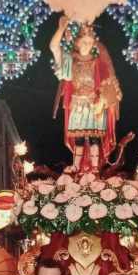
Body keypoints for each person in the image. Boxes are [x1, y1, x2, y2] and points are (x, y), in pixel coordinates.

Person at [49, 15, 122, 174]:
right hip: (78, 105)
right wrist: (61, 29)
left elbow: (110, 84)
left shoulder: (99, 63)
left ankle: (95, 167)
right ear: (77, 43)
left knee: (95, 138)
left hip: (95, 105)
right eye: (84, 41)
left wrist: (110, 95)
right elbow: (54, 47)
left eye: (90, 42)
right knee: (79, 138)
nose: (87, 45)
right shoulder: (71, 62)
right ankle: (76, 165)